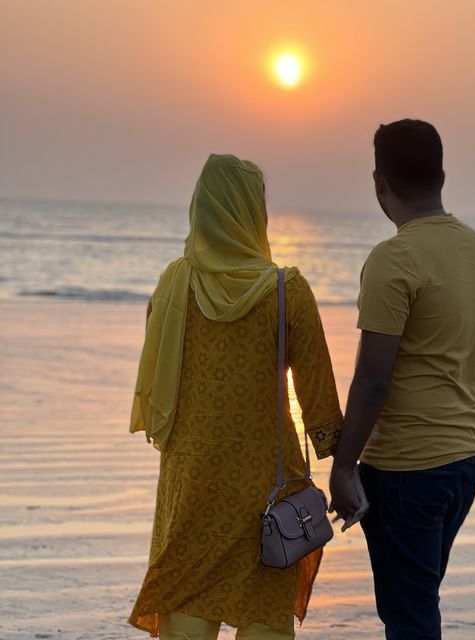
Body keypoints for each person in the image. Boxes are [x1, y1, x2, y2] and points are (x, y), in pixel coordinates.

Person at [128, 154, 343, 639]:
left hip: (193, 480)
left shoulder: (173, 285)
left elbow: (161, 383)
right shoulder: (288, 291)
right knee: (264, 608)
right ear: (254, 211)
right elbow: (320, 405)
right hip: (266, 481)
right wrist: (347, 469)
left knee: (186, 599)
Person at [330, 119, 475, 640]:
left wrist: (343, 464)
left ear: (379, 181)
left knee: (409, 617)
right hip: (466, 456)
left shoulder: (394, 258)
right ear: (442, 175)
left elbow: (373, 379)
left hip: (409, 465)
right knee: (418, 603)